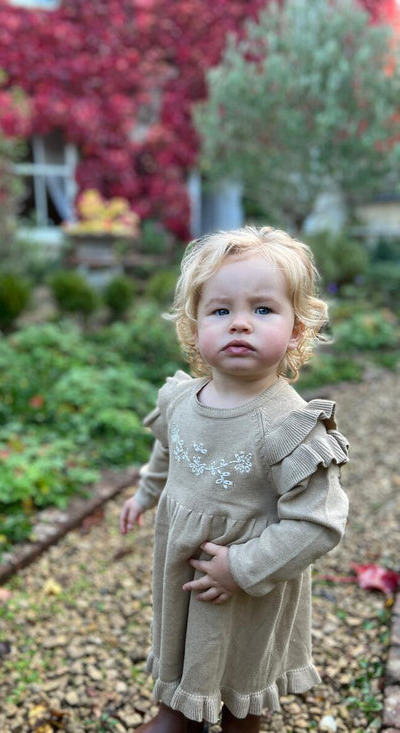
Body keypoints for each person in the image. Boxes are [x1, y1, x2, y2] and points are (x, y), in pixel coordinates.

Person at [119, 226, 349, 733]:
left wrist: (241, 567)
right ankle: (172, 718)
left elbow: (319, 523)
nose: (240, 324)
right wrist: (145, 491)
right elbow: (168, 447)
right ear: (194, 325)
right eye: (221, 310)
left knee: (242, 689)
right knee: (180, 670)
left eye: (263, 309)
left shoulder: (288, 427)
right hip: (186, 574)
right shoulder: (181, 399)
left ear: (296, 329)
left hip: (247, 588)